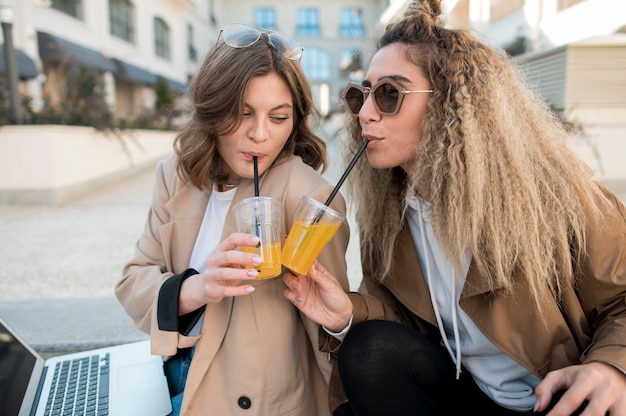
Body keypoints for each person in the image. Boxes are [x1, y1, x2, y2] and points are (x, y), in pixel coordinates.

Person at [282, 1, 626, 415]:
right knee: (366, 350)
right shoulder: (392, 214)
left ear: (451, 104)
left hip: (555, 396)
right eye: (362, 95)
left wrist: (610, 367)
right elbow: (406, 321)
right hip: (468, 392)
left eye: (390, 93)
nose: (365, 114)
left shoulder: (554, 199)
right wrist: (346, 314)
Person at [115, 23, 350, 416]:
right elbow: (133, 281)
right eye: (242, 113)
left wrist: (340, 327)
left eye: (278, 117)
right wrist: (198, 287)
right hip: (177, 377)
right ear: (212, 107)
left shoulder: (308, 196)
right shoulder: (174, 176)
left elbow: (332, 329)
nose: (260, 135)